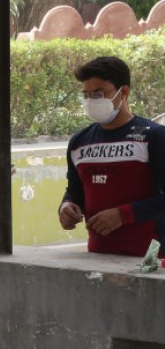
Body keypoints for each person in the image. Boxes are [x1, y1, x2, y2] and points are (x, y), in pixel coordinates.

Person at [60, 56, 165, 256]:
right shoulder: (79, 142)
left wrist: (123, 215)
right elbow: (75, 190)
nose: (92, 101)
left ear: (123, 92)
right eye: (87, 95)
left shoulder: (154, 137)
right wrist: (67, 206)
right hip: (99, 257)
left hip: (151, 259)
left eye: (99, 94)